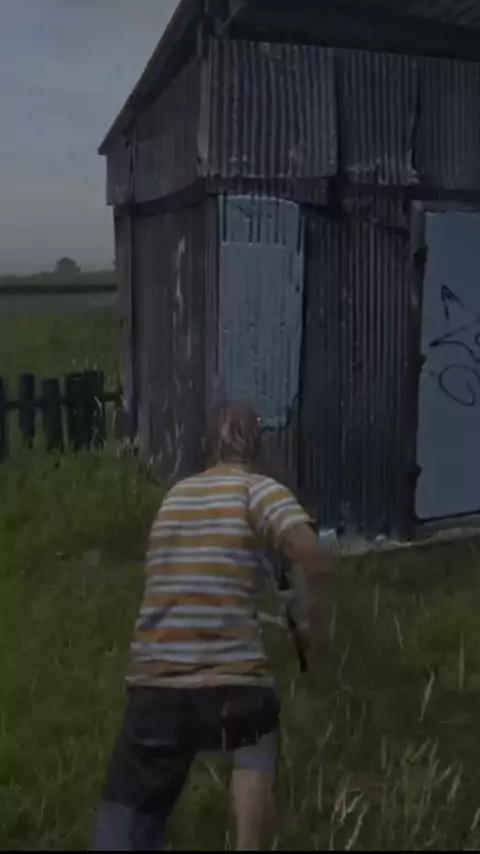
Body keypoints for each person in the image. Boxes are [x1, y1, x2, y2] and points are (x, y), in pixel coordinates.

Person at [90, 402, 332, 851]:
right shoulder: (258, 490)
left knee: (130, 809)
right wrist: (309, 624)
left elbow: (188, 584)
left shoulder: (176, 496)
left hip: (154, 680)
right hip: (230, 685)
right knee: (257, 731)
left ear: (210, 445)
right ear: (258, 447)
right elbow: (312, 557)